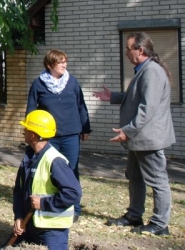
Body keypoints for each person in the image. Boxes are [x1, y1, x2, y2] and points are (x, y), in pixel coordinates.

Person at [94, 32, 175, 236]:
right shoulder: (144, 70)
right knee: (135, 177)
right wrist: (113, 96)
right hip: (139, 139)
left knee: (157, 180)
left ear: (140, 50)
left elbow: (147, 108)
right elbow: (136, 98)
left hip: (148, 139)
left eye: (128, 48)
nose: (126, 52)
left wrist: (127, 131)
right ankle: (134, 216)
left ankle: (159, 224)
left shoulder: (152, 72)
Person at [27, 49, 91, 221]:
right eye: (60, 62)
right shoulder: (38, 84)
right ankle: (50, 203)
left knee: (72, 170)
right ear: (49, 65)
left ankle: (75, 209)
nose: (64, 65)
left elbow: (81, 106)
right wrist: (32, 132)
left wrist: (85, 128)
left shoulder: (72, 83)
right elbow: (31, 110)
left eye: (65, 61)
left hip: (71, 134)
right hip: (49, 137)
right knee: (50, 171)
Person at [12, 110, 81, 250]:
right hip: (29, 226)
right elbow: (19, 191)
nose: (23, 131)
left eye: (26, 128)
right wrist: (18, 217)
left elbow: (73, 193)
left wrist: (44, 203)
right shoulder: (29, 158)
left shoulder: (55, 161)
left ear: (33, 134)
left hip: (51, 231)